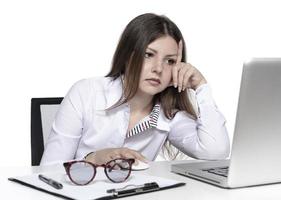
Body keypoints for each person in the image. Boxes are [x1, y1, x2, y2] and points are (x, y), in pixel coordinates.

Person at [40, 13, 230, 166]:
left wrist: (201, 86)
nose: (158, 68)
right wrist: (92, 159)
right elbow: (49, 172)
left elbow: (216, 152)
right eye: (149, 55)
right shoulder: (86, 93)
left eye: (170, 61)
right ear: (128, 55)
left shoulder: (169, 116)